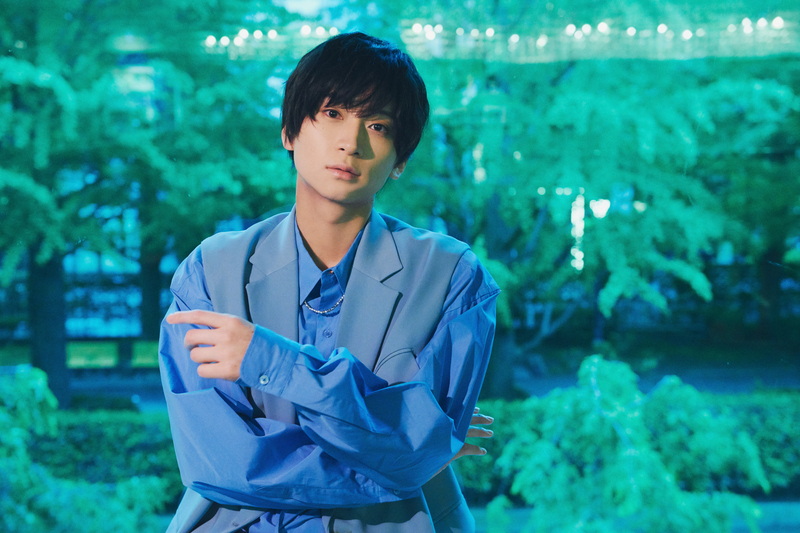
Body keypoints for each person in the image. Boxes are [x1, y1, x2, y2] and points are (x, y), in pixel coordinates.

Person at [159, 32, 500, 533]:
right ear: (290, 131)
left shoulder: (452, 277)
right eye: (332, 113)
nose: (351, 142)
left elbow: (412, 453)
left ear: (400, 159)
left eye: (377, 125)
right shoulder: (210, 272)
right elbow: (220, 464)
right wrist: (404, 449)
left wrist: (272, 362)